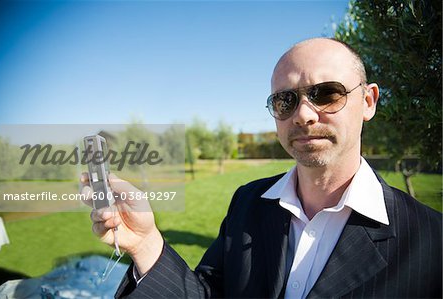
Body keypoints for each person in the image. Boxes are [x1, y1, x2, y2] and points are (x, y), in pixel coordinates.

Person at [82, 38, 442, 298]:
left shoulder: (432, 240)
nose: (303, 113)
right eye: (285, 100)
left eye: (327, 93)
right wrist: (146, 244)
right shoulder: (248, 203)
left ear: (368, 101)